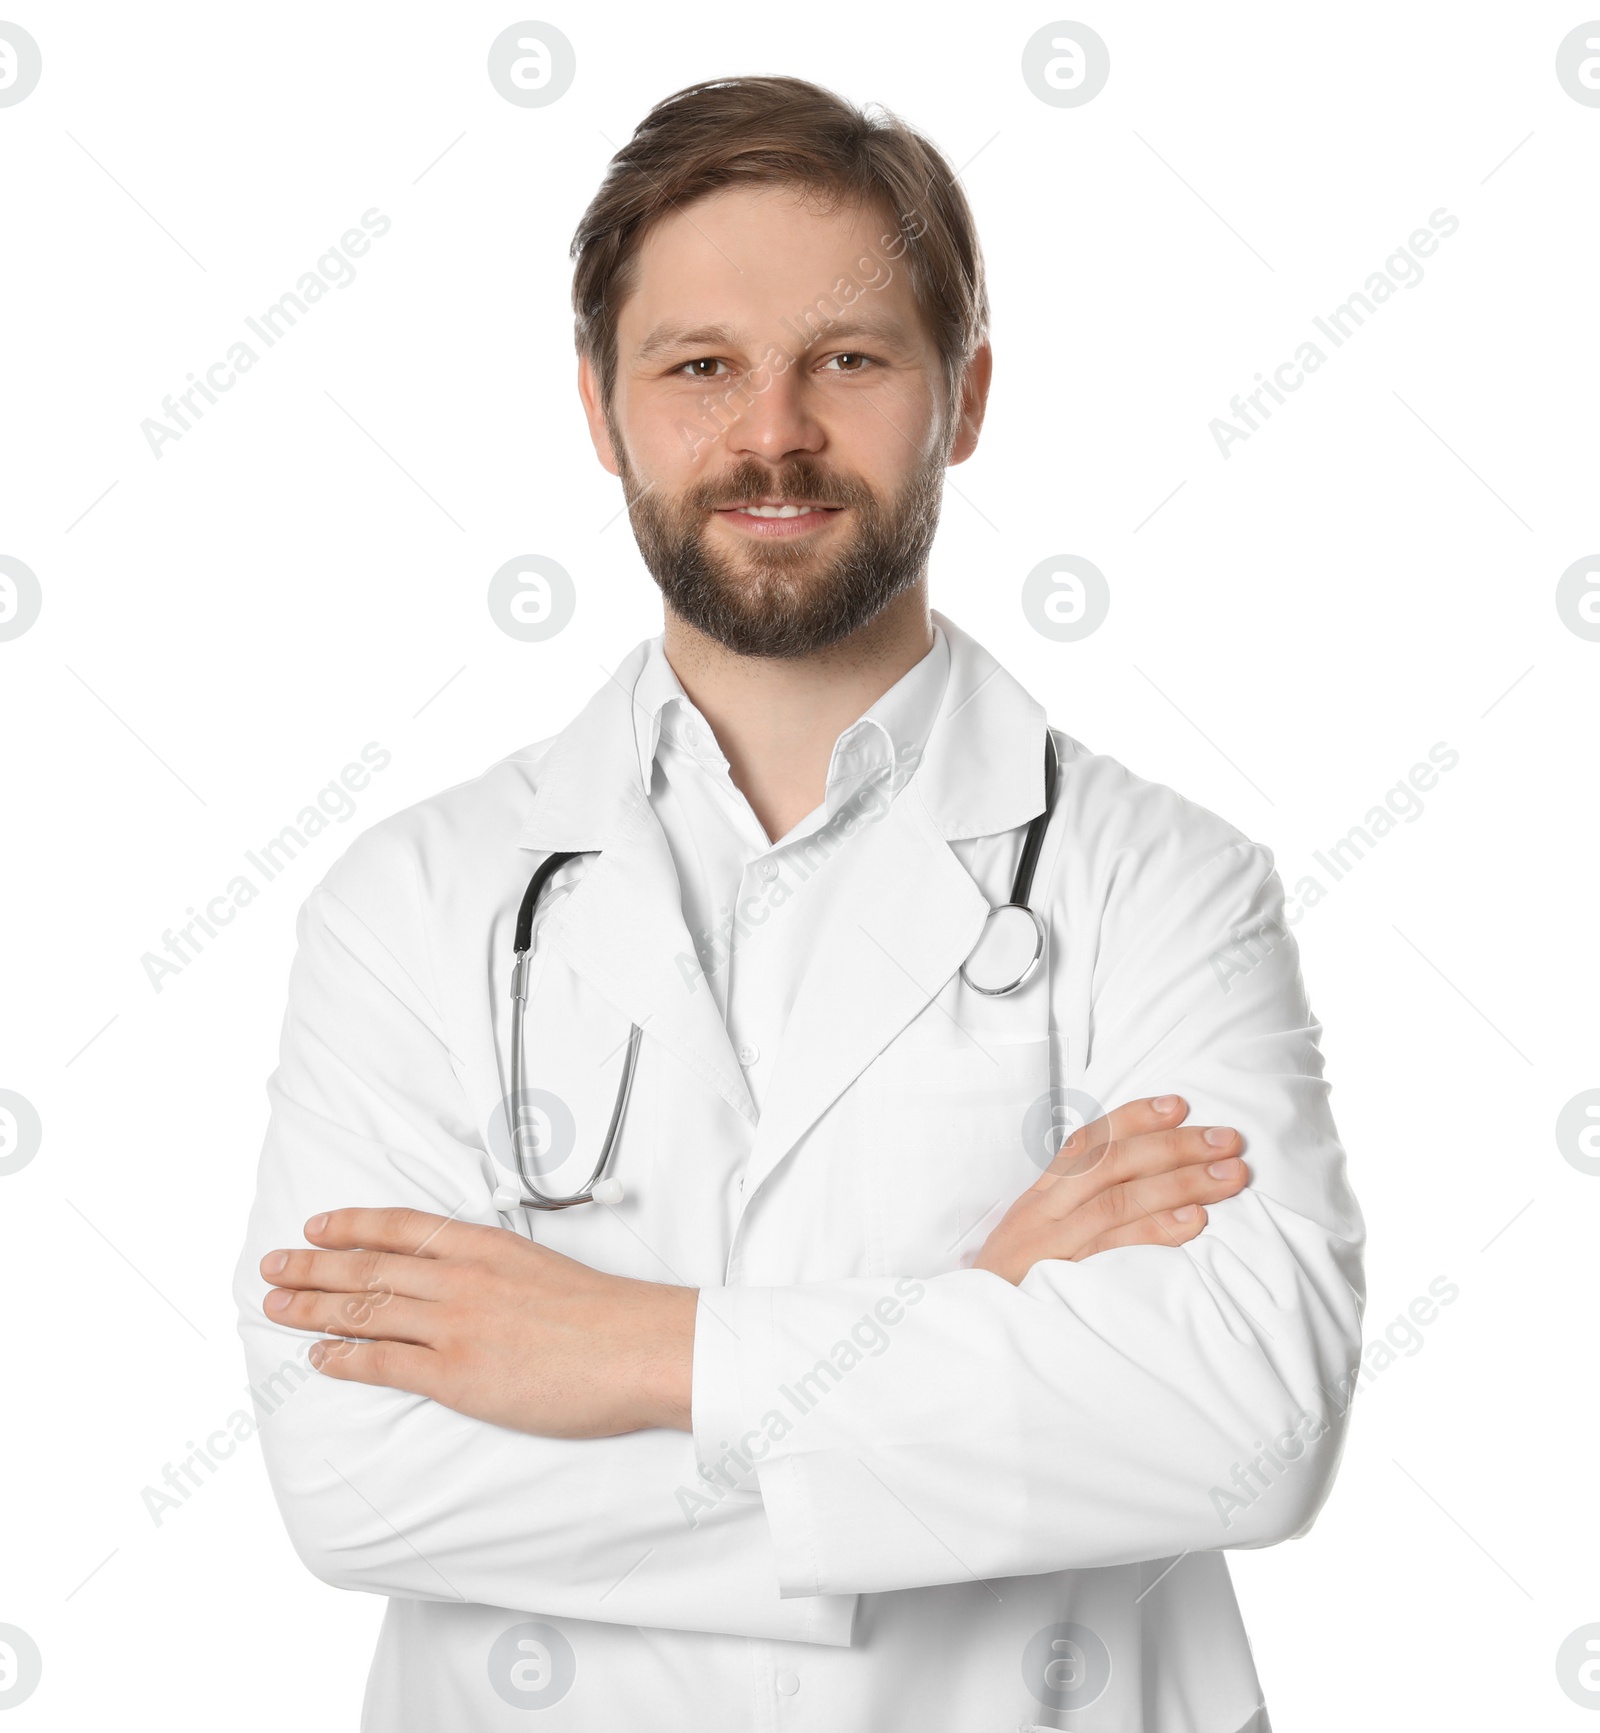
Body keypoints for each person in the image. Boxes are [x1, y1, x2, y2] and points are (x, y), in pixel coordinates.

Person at [234, 75, 1364, 1733]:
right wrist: (978, 1331)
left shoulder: (1162, 882)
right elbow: (360, 1478)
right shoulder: (410, 903)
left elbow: (1248, 1422)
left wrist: (642, 1352)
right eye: (699, 368)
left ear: (963, 396)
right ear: (601, 410)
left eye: (849, 359)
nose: (772, 430)